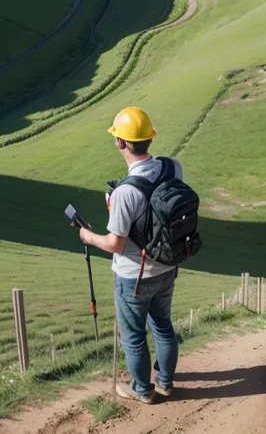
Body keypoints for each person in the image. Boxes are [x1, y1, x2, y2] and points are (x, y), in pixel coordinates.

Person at [79, 106, 181, 405]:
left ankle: (141, 389)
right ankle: (165, 383)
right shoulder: (173, 167)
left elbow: (115, 243)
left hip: (134, 276)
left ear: (120, 143)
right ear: (150, 138)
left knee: (134, 336)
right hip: (168, 265)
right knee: (163, 326)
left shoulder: (125, 193)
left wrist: (88, 235)